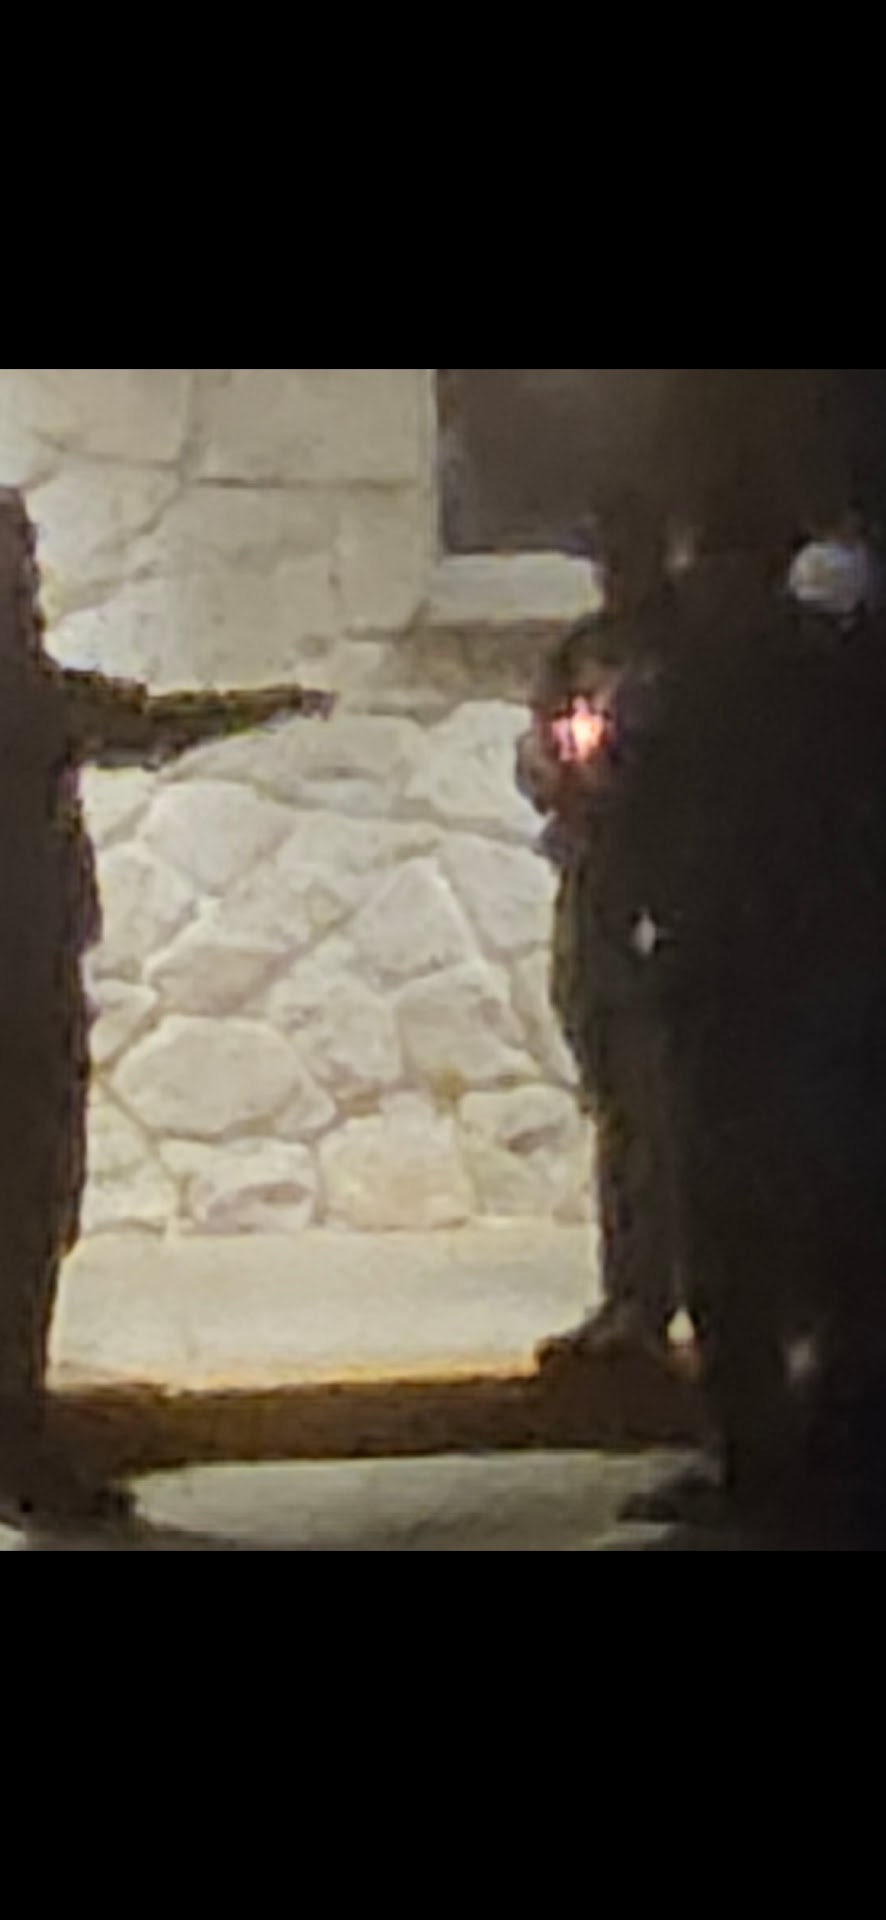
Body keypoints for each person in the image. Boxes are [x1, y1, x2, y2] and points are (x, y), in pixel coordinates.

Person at [0, 488, 336, 1529]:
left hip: (29, 977)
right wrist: (268, 704)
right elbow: (138, 724)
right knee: (26, 1214)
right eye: (19, 568)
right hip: (20, 989)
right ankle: (16, 1441)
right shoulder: (22, 691)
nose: (32, 587)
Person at [614, 499, 886, 1540]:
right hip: (813, 985)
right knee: (817, 1236)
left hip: (740, 985)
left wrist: (638, 924)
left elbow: (639, 818)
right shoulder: (837, 673)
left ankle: (767, 1466)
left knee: (734, 1239)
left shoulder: (702, 683)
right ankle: (805, 1457)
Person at [516, 504, 688, 1368]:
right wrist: (555, 766)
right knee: (618, 1104)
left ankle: (673, 1294)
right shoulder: (586, 648)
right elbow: (539, 744)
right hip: (595, 883)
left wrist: (622, 774)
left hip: (669, 894)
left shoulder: (689, 652)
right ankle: (629, 1296)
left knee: (668, 1111)